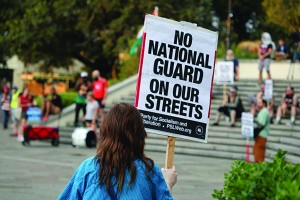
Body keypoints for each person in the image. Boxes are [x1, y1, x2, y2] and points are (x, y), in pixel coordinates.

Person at [58, 103, 177, 199]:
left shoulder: (88, 168)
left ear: (105, 132)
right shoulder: (149, 171)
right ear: (140, 134)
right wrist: (168, 184)